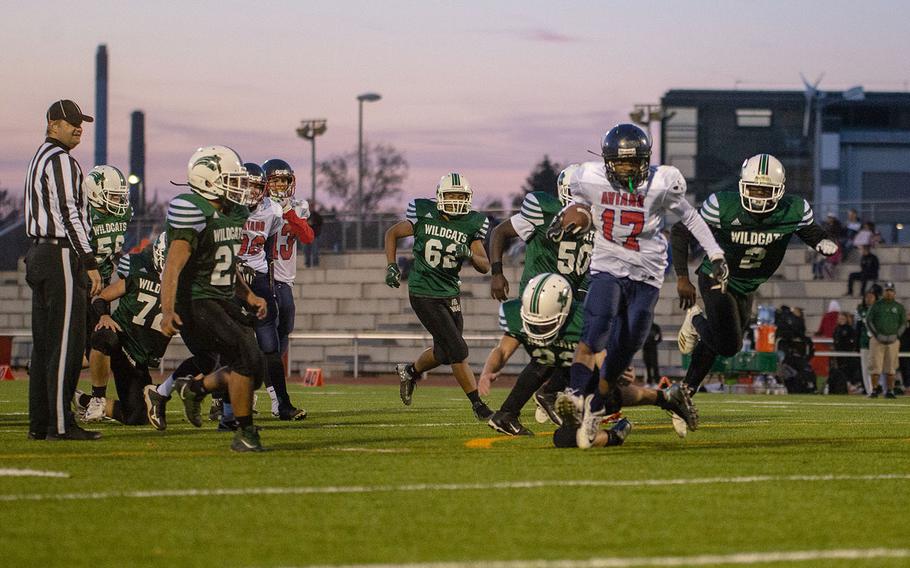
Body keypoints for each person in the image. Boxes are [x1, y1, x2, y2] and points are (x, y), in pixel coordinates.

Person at [554, 123, 724, 449]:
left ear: (645, 160)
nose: (627, 169)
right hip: (606, 266)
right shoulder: (589, 177)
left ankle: (598, 406)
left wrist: (714, 252)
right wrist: (568, 218)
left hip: (646, 274)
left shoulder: (661, 182)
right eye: (620, 162)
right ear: (607, 161)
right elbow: (576, 204)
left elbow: (689, 217)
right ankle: (575, 396)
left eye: (633, 163)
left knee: (626, 345)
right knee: (596, 326)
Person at [673, 153, 837, 431]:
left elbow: (810, 230)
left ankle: (684, 393)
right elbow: (680, 231)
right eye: (753, 190)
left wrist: (821, 241)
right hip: (717, 275)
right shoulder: (721, 205)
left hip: (747, 285)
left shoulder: (793, 209)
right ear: (742, 186)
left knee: (721, 343)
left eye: (766, 191)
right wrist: (682, 278)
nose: (759, 198)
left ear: (780, 191)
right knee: (729, 345)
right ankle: (696, 320)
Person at [481, 273, 696, 441]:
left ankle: (664, 397)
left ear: (563, 313)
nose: (538, 328)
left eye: (545, 323)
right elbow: (502, 351)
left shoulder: (582, 320)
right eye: (533, 321)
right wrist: (487, 371)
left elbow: (601, 354)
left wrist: (615, 371)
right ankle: (618, 433)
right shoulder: (519, 316)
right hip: (563, 370)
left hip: (583, 373)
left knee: (608, 397)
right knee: (565, 439)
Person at [159, 145, 269, 451]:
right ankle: (244, 433)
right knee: (246, 357)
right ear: (208, 180)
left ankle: (195, 387)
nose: (240, 186)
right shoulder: (193, 208)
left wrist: (248, 295)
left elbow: (226, 262)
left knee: (255, 366)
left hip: (221, 299)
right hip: (196, 301)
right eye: (232, 179)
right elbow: (173, 265)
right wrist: (167, 310)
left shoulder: (233, 212)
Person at [385, 172, 494, 421]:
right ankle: (478, 406)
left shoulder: (472, 222)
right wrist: (391, 265)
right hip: (423, 291)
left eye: (460, 196)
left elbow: (484, 265)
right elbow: (392, 233)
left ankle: (410, 371)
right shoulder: (423, 212)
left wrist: (468, 250)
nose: (456, 200)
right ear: (440, 197)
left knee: (444, 353)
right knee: (458, 349)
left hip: (450, 293)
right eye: (451, 195)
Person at [24, 99, 102, 441]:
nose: (78, 127)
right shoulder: (61, 161)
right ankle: (59, 424)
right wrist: (90, 262)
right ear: (52, 123)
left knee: (44, 345)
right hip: (59, 255)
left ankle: (40, 424)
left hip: (38, 254)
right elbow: (70, 214)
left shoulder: (39, 158)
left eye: (80, 122)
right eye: (70, 121)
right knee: (66, 344)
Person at [75, 233, 170, 425]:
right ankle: (97, 398)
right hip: (119, 339)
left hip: (137, 358)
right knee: (105, 338)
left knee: (137, 417)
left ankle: (80, 399)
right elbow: (100, 298)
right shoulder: (139, 275)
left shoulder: (184, 289)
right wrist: (104, 315)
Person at [251, 159, 313, 420]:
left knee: (283, 332)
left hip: (284, 278)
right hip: (259, 276)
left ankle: (269, 390)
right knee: (246, 338)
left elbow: (307, 236)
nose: (279, 185)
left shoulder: (297, 205)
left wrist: (288, 210)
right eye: (274, 180)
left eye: (283, 181)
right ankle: (230, 396)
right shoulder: (257, 205)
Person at [488, 163, 592, 302]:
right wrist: (496, 273)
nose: (578, 199)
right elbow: (499, 232)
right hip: (536, 293)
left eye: (583, 193)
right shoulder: (547, 212)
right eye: (573, 192)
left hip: (570, 296)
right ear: (562, 191)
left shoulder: (598, 221)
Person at [80, 164, 133, 422]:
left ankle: (95, 399)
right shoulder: (83, 214)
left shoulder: (122, 214)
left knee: (102, 342)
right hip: (78, 285)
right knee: (79, 350)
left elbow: (115, 252)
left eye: (119, 195)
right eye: (113, 195)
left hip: (101, 289)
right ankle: (50, 375)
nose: (119, 201)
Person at [865, 282, 907, 398]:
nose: (889, 293)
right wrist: (876, 334)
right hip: (877, 340)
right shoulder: (876, 306)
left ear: (894, 293)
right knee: (875, 367)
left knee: (891, 368)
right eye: (887, 290)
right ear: (883, 292)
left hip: (893, 341)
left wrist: (897, 335)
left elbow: (903, 323)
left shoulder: (899, 307)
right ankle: (874, 390)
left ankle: (890, 391)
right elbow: (869, 321)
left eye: (891, 290)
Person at [855, 287, 882, 396]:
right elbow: (858, 327)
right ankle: (869, 390)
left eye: (871, 297)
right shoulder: (860, 309)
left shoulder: (880, 309)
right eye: (867, 297)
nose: (868, 299)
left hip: (876, 341)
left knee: (876, 366)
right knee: (865, 367)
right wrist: (856, 343)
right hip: (864, 341)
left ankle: (878, 387)